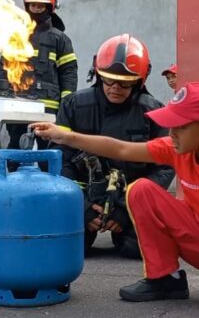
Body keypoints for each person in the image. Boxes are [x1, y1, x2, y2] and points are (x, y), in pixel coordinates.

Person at [30, 81, 199, 316]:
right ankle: (165, 279)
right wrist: (64, 136)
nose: (171, 133)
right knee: (141, 190)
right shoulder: (179, 148)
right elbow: (122, 149)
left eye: (179, 127)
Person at [54, 34, 175, 258]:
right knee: (69, 249)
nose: (115, 88)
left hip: (129, 200)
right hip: (81, 198)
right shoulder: (73, 106)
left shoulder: (155, 113)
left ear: (140, 80)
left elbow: (165, 168)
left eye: (125, 83)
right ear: (98, 74)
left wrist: (125, 209)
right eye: (109, 80)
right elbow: (60, 159)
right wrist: (82, 207)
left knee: (136, 249)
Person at [0, 0, 77, 154]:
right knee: (15, 151)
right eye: (33, 5)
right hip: (17, 106)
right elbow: (4, 69)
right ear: (27, 6)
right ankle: (13, 180)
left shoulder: (60, 39)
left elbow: (68, 73)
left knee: (48, 152)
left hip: (47, 110)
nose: (37, 9)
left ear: (50, 7)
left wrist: (66, 104)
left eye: (41, 5)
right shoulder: (16, 37)